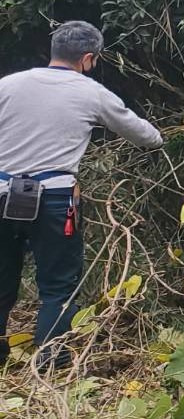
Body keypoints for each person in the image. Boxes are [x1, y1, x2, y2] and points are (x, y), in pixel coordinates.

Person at [0, 21, 163, 367]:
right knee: (58, 285)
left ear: (53, 50)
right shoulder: (91, 93)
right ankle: (51, 361)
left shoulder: (8, 85)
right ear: (88, 58)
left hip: (1, 192)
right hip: (54, 200)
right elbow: (148, 136)